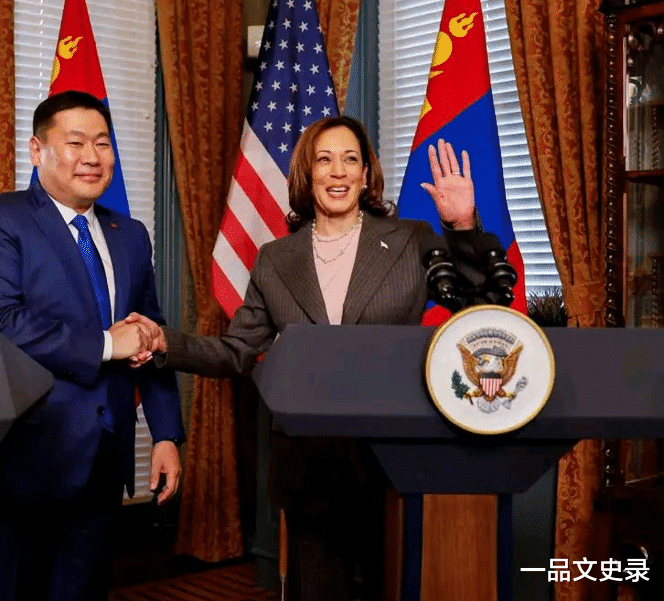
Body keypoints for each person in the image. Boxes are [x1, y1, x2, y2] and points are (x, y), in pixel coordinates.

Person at [123, 115, 499, 600]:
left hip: (393, 464)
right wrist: (163, 343)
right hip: (309, 465)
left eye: (350, 159)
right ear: (308, 173)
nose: (338, 171)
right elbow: (237, 352)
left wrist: (462, 224)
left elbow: (479, 308)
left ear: (366, 174)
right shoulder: (275, 259)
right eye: (325, 160)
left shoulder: (412, 240)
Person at [0, 90, 185, 601]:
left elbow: (151, 334)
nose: (92, 157)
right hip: (19, 462)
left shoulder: (130, 235)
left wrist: (166, 434)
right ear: (37, 151)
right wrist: (105, 344)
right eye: (76, 142)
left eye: (102, 143)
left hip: (103, 460)